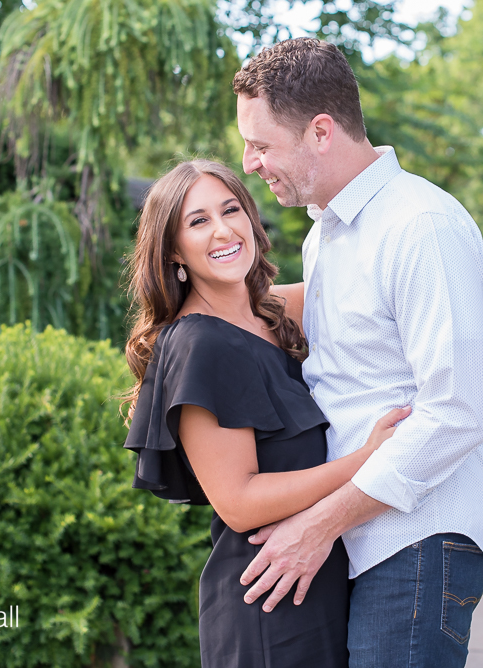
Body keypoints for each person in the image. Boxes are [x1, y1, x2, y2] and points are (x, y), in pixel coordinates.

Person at [232, 37, 483, 667]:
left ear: (321, 132)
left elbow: (455, 416)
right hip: (366, 534)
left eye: (262, 143)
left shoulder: (420, 226)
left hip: (418, 534)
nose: (251, 162)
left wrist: (322, 522)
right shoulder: (329, 231)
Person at [122, 159, 410, 667]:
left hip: (320, 583)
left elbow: (374, 287)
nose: (223, 230)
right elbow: (239, 502)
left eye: (231, 209)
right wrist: (366, 459)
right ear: (173, 251)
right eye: (198, 221)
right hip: (268, 604)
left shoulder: (273, 315)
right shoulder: (199, 343)